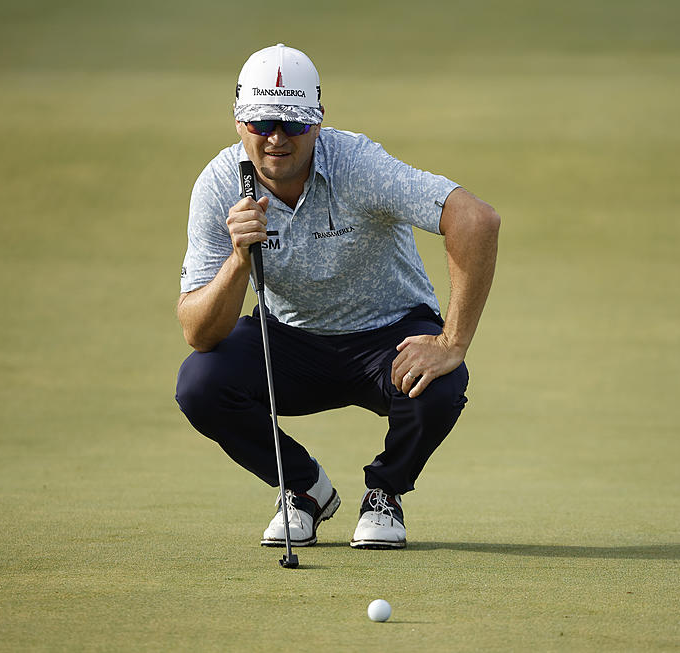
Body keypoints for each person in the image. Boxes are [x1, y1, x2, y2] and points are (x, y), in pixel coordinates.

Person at [175, 44, 499, 549]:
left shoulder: (358, 165)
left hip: (388, 336)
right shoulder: (220, 185)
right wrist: (239, 260)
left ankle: (386, 493)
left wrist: (452, 341)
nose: (277, 138)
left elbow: (476, 220)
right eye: (262, 124)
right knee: (200, 383)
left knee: (441, 382)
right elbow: (199, 331)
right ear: (239, 122)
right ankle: (303, 489)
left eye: (294, 124)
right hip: (290, 339)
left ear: (319, 121)